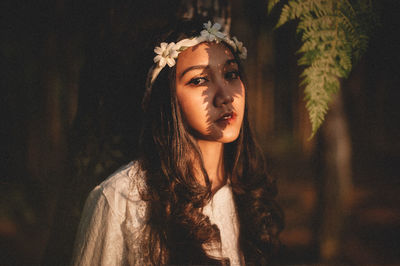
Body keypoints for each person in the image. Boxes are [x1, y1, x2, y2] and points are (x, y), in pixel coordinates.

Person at [71, 19, 282, 265]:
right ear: (165, 98)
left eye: (231, 74)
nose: (225, 96)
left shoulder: (247, 193)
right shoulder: (121, 199)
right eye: (199, 80)